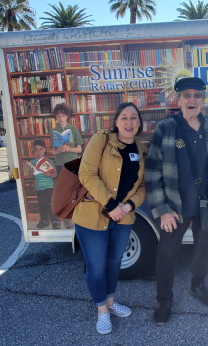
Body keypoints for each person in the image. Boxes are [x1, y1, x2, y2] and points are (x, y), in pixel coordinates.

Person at [145, 77, 208, 325]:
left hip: (205, 205)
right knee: (167, 254)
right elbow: (152, 173)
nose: (192, 99)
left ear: (203, 100)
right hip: (174, 208)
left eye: (197, 95)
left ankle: (197, 285)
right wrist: (162, 210)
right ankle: (164, 299)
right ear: (177, 99)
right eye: (186, 95)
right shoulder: (166, 127)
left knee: (204, 251)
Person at [73, 102, 148, 335]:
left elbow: (143, 187)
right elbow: (86, 173)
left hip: (123, 217)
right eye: (124, 117)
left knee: (115, 262)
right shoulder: (101, 140)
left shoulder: (141, 149)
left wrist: (127, 206)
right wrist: (112, 205)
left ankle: (110, 300)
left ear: (139, 123)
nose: (129, 122)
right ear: (116, 122)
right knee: (96, 267)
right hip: (92, 215)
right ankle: (102, 311)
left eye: (133, 118)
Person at [51, 103, 83, 229]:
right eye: (58, 116)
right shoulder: (54, 131)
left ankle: (73, 216)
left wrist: (69, 148)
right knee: (63, 192)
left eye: (63, 115)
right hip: (60, 164)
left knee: (74, 191)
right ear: (55, 117)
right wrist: (59, 150)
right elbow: (53, 151)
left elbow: (79, 150)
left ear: (67, 116)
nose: (61, 118)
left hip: (72, 163)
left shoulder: (73, 129)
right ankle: (65, 218)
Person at [28, 139, 57, 229]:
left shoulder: (48, 162)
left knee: (49, 204)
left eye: (41, 149)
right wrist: (31, 172)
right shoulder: (33, 162)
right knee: (41, 205)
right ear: (34, 151)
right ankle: (44, 221)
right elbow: (31, 177)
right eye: (36, 149)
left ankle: (55, 221)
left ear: (45, 150)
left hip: (48, 186)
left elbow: (55, 174)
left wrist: (49, 174)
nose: (38, 151)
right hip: (39, 188)